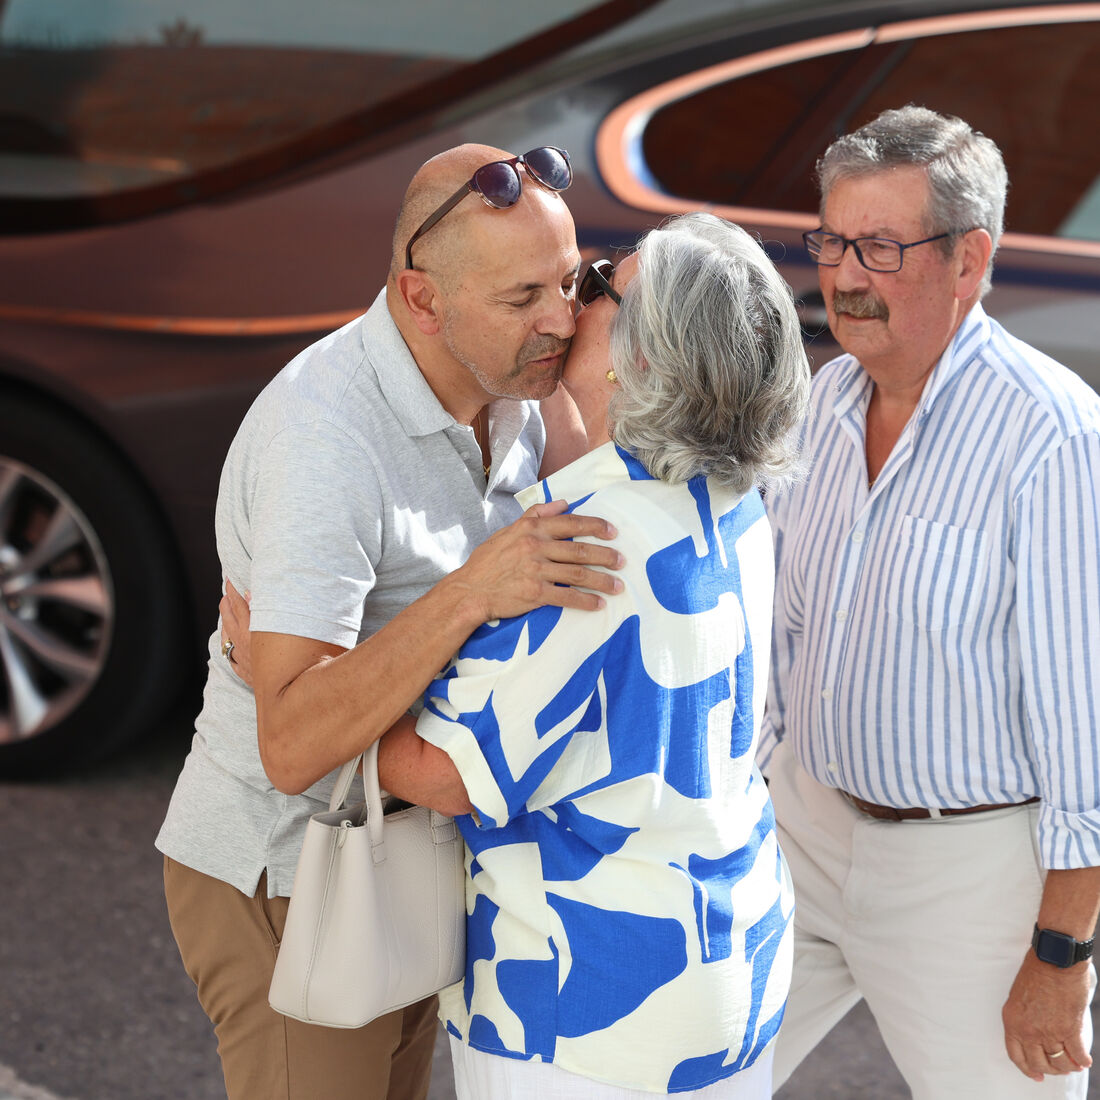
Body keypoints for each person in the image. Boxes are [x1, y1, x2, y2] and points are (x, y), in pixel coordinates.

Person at [155, 144, 626, 1100]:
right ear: (421, 299)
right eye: (522, 296)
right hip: (295, 875)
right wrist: (467, 594)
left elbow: (614, 533)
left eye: (571, 280)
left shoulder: (523, 391)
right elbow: (289, 742)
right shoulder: (322, 441)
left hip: (409, 851)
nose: (561, 319)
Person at [373, 211, 811, 1098]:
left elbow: (445, 773)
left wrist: (304, 696)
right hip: (726, 968)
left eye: (602, 282)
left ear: (638, 359)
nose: (574, 298)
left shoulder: (591, 550)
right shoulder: (730, 497)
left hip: (590, 1010)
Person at [760, 105, 1100, 1098]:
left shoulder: (1051, 437)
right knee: (681, 1078)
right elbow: (780, 639)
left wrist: (1059, 951)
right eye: (829, 240)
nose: (843, 276)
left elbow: (1084, 731)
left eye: (877, 246)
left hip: (971, 877)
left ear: (967, 260)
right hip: (800, 836)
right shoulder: (820, 403)